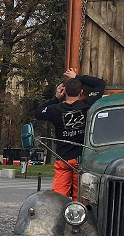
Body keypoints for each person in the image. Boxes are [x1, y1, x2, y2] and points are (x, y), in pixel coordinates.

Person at [32, 68, 106, 198]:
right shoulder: (87, 105)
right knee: (81, 200)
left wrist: (55, 98)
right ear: (81, 91)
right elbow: (100, 84)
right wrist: (77, 76)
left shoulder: (55, 110)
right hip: (81, 161)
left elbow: (38, 112)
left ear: (64, 91)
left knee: (59, 199)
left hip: (63, 160)